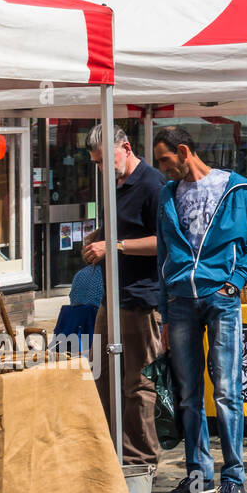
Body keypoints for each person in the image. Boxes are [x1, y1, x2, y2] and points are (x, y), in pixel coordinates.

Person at [152, 125, 247, 493]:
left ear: (184, 151)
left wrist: (234, 283)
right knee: (188, 394)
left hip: (221, 299)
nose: (163, 169)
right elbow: (163, 257)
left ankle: (234, 478)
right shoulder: (168, 196)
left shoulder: (237, 188)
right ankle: (198, 475)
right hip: (181, 300)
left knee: (227, 390)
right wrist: (166, 314)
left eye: (166, 160)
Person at [84, 124, 166, 470]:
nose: (102, 168)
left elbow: (165, 243)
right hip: (112, 296)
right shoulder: (113, 184)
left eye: (105, 161)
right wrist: (99, 236)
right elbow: (124, 229)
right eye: (97, 164)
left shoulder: (152, 184)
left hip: (141, 299)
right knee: (102, 378)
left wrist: (113, 245)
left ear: (126, 147)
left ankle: (142, 459)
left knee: (136, 383)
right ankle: (112, 453)